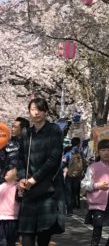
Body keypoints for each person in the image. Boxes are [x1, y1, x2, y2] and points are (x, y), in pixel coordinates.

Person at [16, 98, 65, 246]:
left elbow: (53, 159)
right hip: (29, 190)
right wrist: (22, 178)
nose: (36, 113)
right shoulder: (26, 133)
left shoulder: (54, 130)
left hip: (48, 188)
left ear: (45, 111)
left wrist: (34, 179)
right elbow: (21, 159)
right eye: (32, 109)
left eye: (39, 109)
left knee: (44, 233)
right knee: (26, 234)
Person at [81, 139, 109, 246]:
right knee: (96, 234)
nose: (106, 153)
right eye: (103, 150)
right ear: (98, 152)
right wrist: (97, 185)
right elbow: (84, 184)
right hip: (98, 206)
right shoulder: (93, 167)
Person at [63, 137, 85, 212]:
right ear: (78, 143)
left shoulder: (68, 151)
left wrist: (64, 168)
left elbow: (63, 162)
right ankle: (77, 204)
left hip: (69, 174)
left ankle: (69, 209)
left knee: (69, 191)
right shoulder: (80, 151)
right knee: (76, 190)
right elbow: (84, 161)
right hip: (77, 174)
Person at [0, 166, 20, 246]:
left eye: (9, 170)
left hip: (13, 218)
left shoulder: (18, 186)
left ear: (16, 175)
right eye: (6, 170)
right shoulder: (1, 186)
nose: (6, 172)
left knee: (11, 241)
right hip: (1, 218)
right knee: (2, 242)